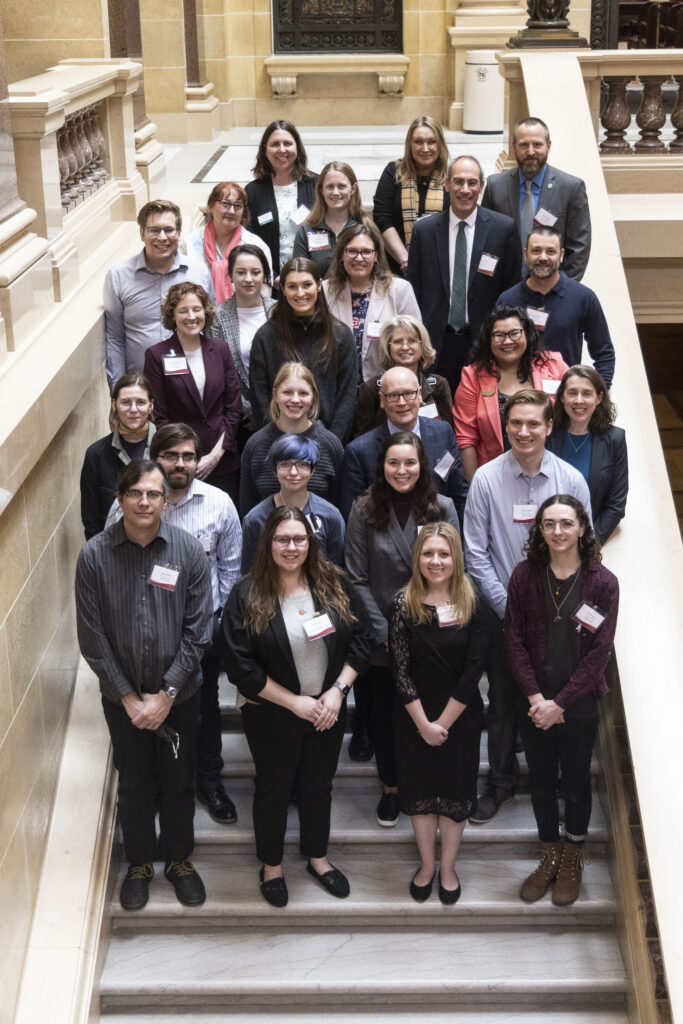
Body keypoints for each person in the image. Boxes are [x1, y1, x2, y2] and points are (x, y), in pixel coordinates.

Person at [75, 460, 213, 911]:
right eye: (135, 493)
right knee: (133, 782)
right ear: (120, 498)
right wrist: (132, 699)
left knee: (178, 780)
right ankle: (139, 863)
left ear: (165, 499)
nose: (145, 501)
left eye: (154, 494)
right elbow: (92, 638)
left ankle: (178, 859)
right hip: (123, 701)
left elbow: (198, 632)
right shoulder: (94, 555)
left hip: (180, 698)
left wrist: (167, 694)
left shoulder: (188, 552)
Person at [222, 507, 371, 908]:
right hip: (270, 713)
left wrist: (338, 691)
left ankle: (317, 858)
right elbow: (240, 666)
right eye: (283, 540)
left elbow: (363, 638)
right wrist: (295, 704)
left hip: (327, 710)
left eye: (299, 539)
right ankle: (271, 866)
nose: (292, 547)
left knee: (318, 787)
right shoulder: (247, 594)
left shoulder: (333, 583)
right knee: (273, 788)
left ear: (311, 542)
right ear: (268, 543)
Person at [463, 389, 592, 825]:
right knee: (501, 704)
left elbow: (586, 548)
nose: (524, 431)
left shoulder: (571, 480)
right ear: (506, 426)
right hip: (503, 617)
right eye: (515, 423)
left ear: (549, 425)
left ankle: (552, 779)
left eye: (533, 423)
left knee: (555, 699)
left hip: (560, 620)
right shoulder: (485, 479)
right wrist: (507, 609)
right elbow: (475, 552)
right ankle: (499, 782)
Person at [104, 424, 242, 827]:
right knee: (154, 708)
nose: (180, 464)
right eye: (170, 455)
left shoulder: (219, 504)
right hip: (142, 635)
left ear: (198, 460)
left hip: (202, 633)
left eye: (187, 456)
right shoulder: (129, 504)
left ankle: (210, 781)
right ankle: (160, 788)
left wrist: (214, 623)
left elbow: (231, 570)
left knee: (205, 707)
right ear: (154, 457)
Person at [505, 495, 618, 905]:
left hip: (579, 704)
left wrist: (561, 704)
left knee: (574, 782)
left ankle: (572, 856)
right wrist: (538, 698)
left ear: (582, 528)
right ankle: (549, 854)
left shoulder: (603, 582)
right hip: (533, 702)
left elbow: (599, 653)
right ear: (539, 530)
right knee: (539, 781)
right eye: (549, 524)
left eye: (566, 523)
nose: (557, 531)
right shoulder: (524, 576)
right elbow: (513, 640)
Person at [345, 432, 461, 828]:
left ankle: (426, 787)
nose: (402, 470)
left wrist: (421, 635)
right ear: (382, 466)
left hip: (432, 638)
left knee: (427, 715)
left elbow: (453, 570)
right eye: (393, 463)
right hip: (380, 640)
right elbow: (356, 579)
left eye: (409, 463)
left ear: (422, 465)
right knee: (383, 718)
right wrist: (388, 635)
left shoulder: (442, 507)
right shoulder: (363, 510)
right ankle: (391, 789)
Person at [389, 523, 490, 904]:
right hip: (413, 715)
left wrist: (441, 726)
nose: (436, 561)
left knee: (453, 795)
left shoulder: (473, 602)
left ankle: (447, 867)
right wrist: (423, 725)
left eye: (444, 554)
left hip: (458, 717)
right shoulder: (402, 603)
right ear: (418, 558)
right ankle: (427, 865)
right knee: (420, 796)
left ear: (456, 558)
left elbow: (473, 672)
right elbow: (399, 671)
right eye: (428, 553)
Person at [407, 156, 522, 393]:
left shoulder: (504, 229)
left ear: (481, 186)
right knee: (438, 413)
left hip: (484, 343)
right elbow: (414, 291)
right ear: (447, 184)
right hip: (436, 344)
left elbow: (512, 290)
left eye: (472, 182)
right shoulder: (424, 231)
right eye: (458, 182)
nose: (465, 190)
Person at [143, 282, 242, 502]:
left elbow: (234, 408)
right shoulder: (157, 355)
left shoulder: (220, 349)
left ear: (205, 311)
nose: (191, 316)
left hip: (223, 460)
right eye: (183, 310)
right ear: (172, 315)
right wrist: (186, 459)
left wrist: (215, 455)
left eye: (196, 309)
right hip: (179, 467)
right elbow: (160, 416)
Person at [104, 199, 214, 389]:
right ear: (142, 233)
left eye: (169, 230)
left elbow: (213, 329)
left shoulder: (199, 274)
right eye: (154, 230)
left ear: (179, 233)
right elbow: (115, 338)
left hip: (192, 386)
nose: (162, 237)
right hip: (143, 390)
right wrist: (118, 388)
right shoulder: (119, 277)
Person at [454, 305, 567, 483]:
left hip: (550, 473)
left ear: (527, 334)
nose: (507, 341)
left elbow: (574, 407)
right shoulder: (473, 376)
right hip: (495, 478)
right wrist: (475, 487)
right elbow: (466, 439)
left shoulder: (553, 365)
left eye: (515, 333)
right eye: (499, 335)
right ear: (488, 340)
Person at [340, 366, 468, 523]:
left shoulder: (443, 433)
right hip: (384, 541)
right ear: (382, 400)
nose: (402, 402)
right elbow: (353, 516)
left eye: (408, 393)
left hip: (437, 537)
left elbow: (458, 493)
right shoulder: (358, 452)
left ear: (420, 395)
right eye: (393, 395)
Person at [249, 257, 357, 443]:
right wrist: (280, 443)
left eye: (307, 284)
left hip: (329, 443)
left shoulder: (341, 335)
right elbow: (260, 400)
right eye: (292, 286)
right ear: (282, 290)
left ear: (319, 285)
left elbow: (347, 398)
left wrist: (331, 444)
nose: (300, 293)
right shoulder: (265, 337)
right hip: (278, 445)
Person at [496, 227, 615, 388]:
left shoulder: (584, 298)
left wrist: (596, 392)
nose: (543, 257)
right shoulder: (507, 300)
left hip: (565, 399)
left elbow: (604, 354)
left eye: (550, 251)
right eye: (536, 251)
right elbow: (494, 350)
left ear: (561, 255)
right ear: (525, 255)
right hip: (518, 398)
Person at [481, 116, 591, 281]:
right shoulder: (495, 186)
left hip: (552, 291)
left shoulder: (571, 188)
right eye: (524, 145)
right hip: (506, 292)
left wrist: (560, 291)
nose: (530, 151)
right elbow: (485, 242)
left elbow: (579, 249)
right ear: (514, 147)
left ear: (548, 146)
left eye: (537, 144)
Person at [240, 362, 344, 517]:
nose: (295, 400)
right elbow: (247, 508)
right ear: (275, 395)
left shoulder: (330, 444)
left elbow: (339, 505)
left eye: (303, 393)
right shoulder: (256, 445)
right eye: (287, 392)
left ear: (313, 397)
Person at [323, 221, 421, 383]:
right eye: (352, 251)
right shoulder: (325, 291)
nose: (359, 258)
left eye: (366, 252)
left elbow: (415, 345)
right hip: (337, 386)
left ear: (376, 256)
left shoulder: (400, 290)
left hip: (386, 386)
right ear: (341, 255)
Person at [241, 434, 345, 572]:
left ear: (313, 470)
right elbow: (249, 572)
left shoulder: (330, 516)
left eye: (302, 464)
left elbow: (338, 572)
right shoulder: (256, 519)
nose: (294, 472)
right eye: (285, 464)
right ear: (274, 469)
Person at [547, 366, 628, 543]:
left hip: (589, 541)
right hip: (546, 540)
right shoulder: (546, 435)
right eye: (572, 393)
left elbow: (616, 504)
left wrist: (591, 544)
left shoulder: (615, 439)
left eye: (587, 394)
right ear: (562, 397)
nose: (579, 400)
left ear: (599, 398)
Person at [212, 244, 277, 440]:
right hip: (237, 418)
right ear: (230, 275)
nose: (248, 279)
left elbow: (288, 365)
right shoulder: (218, 317)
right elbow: (220, 372)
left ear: (264, 275)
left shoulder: (280, 312)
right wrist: (249, 411)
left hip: (279, 413)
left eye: (255, 272)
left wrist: (265, 411)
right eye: (241, 272)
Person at [80, 372, 156, 539]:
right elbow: (91, 521)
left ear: (151, 406)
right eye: (126, 403)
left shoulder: (167, 450)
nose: (133, 410)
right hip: (114, 551)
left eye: (141, 402)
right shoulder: (96, 455)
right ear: (114, 405)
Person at [372, 116, 450, 275]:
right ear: (410, 144)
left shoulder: (451, 177)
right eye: (419, 142)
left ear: (440, 144)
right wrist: (406, 260)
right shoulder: (393, 172)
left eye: (431, 142)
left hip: (441, 266)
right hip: (397, 267)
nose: (425, 148)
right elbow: (382, 218)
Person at [354, 315, 453, 437]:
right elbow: (362, 441)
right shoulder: (371, 389)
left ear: (422, 346)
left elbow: (447, 435)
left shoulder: (439, 385)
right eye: (398, 341)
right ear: (388, 347)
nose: (405, 347)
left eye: (412, 341)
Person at [245, 120, 318, 280]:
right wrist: (269, 277)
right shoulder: (253, 192)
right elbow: (248, 241)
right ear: (265, 149)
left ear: (297, 148)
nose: (282, 149)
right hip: (271, 282)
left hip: (311, 280)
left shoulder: (317, 185)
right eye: (275, 144)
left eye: (287, 143)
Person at [184, 181, 273, 304]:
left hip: (245, 316)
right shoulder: (189, 244)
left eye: (238, 206)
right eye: (225, 204)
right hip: (198, 317)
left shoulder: (256, 246)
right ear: (211, 205)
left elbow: (265, 291)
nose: (231, 211)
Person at [292, 161, 364, 276]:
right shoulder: (306, 231)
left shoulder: (366, 229)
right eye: (330, 186)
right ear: (321, 190)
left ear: (353, 189)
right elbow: (299, 276)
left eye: (341, 186)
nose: (335, 192)